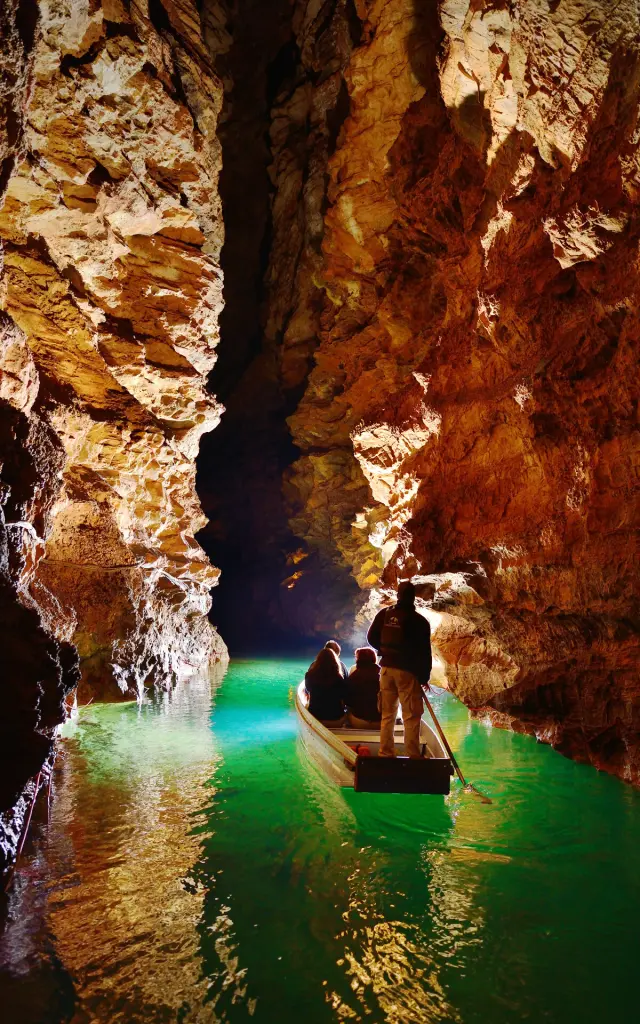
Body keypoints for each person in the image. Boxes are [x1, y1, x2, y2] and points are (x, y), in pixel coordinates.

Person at [367, 581, 432, 758]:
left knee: (388, 715)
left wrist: (384, 650)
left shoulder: (384, 614)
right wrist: (424, 677)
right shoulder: (420, 621)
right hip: (408, 672)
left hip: (386, 669)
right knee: (410, 716)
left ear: (398, 595)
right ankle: (412, 756)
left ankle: (385, 753)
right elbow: (425, 652)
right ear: (413, 597)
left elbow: (370, 637)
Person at [304, 648, 346, 726]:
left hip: (315, 718)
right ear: (334, 661)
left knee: (306, 705)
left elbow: (308, 690)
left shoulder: (309, 675)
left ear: (318, 660)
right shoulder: (339, 678)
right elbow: (343, 697)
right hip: (336, 720)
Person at [345, 647, 381, 728]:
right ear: (374, 658)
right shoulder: (383, 676)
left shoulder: (352, 678)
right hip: (381, 722)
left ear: (358, 659)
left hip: (358, 722)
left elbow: (347, 701)